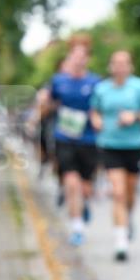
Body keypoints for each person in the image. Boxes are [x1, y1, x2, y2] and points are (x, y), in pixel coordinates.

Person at [90, 50, 140, 262]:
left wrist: (135, 116)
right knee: (118, 192)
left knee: (129, 193)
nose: (120, 67)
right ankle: (120, 242)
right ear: (110, 66)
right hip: (110, 145)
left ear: (130, 66)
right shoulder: (102, 89)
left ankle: (127, 218)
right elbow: (95, 111)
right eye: (116, 63)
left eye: (124, 63)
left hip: (135, 145)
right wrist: (96, 120)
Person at [44, 34, 102, 247]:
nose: (78, 59)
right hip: (65, 137)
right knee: (70, 182)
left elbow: (100, 108)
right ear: (70, 56)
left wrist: (97, 118)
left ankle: (83, 203)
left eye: (82, 55)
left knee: (85, 186)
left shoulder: (95, 82)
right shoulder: (58, 81)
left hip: (88, 139)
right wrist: (45, 103)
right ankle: (77, 227)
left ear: (87, 58)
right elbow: (49, 105)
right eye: (74, 55)